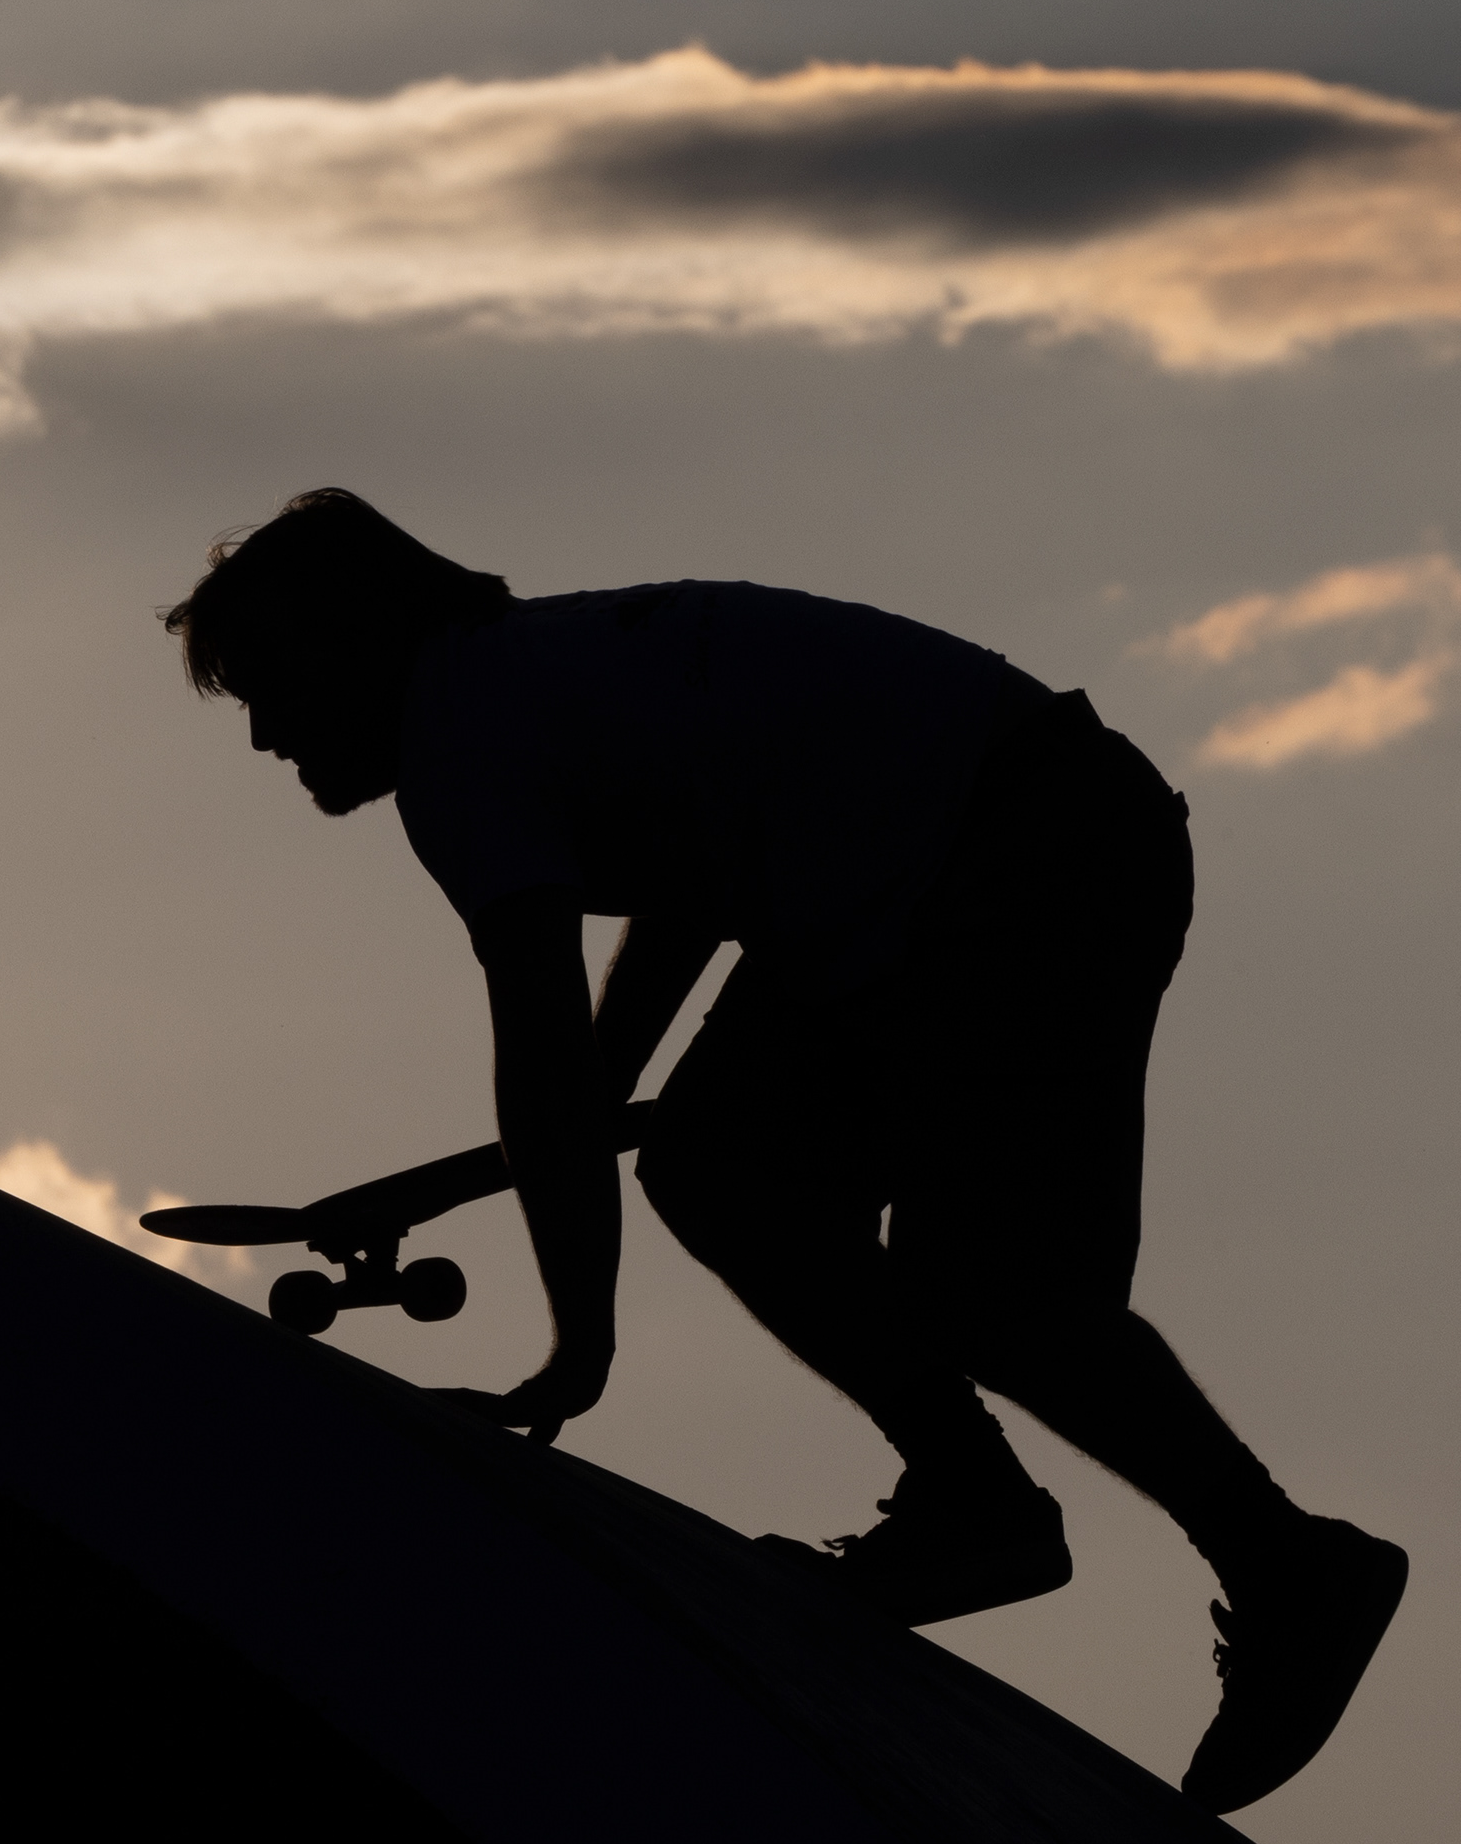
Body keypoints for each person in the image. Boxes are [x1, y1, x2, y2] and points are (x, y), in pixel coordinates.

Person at [166, 488, 1404, 1816]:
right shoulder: (544, 678)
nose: (264, 733)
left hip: (1009, 853)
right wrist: (610, 1081)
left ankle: (1274, 1566)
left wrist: (576, 1345)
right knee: (727, 1169)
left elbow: (536, 1036)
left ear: (353, 643)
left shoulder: (463, 731)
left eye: (268, 686)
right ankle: (978, 1504)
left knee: (988, 1286)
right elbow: (693, 878)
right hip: (1008, 831)